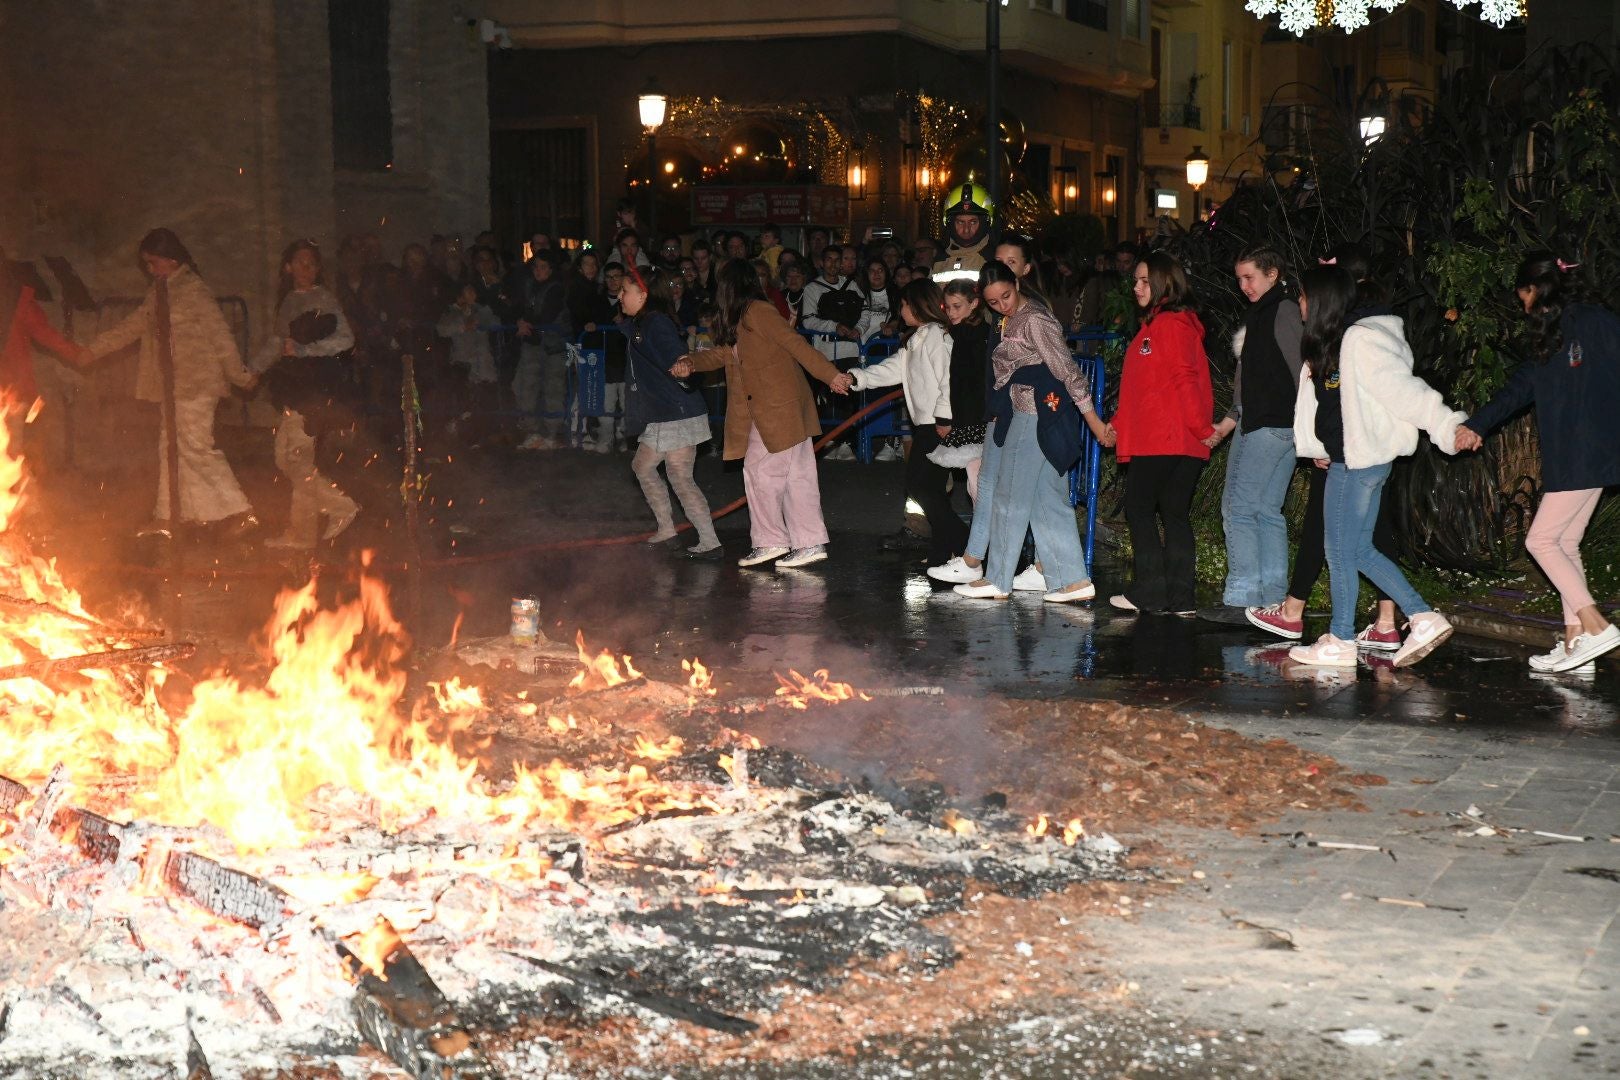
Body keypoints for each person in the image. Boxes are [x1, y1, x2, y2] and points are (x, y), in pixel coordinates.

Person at [1288, 266, 1464, 668]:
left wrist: (1446, 424)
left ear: (1319, 300)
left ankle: (1343, 640)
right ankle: (1421, 617)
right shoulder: (1331, 343)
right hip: (1352, 460)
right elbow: (1329, 409)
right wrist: (1320, 446)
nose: (1298, 303)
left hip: (1358, 464)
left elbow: (1404, 391)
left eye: (1302, 295)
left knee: (1339, 552)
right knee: (1359, 550)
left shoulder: (1359, 341)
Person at [1455, 252, 1620, 673]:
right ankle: (1576, 643)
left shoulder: (1590, 324)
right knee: (1564, 543)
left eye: (1523, 295)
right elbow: (1520, 389)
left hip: (1584, 452)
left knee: (1540, 541)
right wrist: (1477, 424)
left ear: (1537, 290)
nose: (1522, 305)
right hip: (1583, 454)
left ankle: (1597, 626)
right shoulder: (1557, 334)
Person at [1246, 243, 1405, 649]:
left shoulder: (1350, 331)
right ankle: (1381, 622)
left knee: (1337, 537)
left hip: (1352, 448)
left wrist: (1322, 443)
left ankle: (1324, 623)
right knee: (1361, 536)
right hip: (1362, 445)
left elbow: (1332, 397)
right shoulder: (1375, 322)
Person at [670, 260, 849, 570]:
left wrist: (831, 375)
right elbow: (723, 354)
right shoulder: (743, 318)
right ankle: (809, 543)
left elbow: (796, 344)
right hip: (780, 410)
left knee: (760, 474)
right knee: (797, 478)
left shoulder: (758, 312)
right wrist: (691, 362)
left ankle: (771, 541)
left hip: (777, 411)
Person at [953, 261, 1113, 602]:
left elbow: (1068, 371)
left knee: (1010, 496)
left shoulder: (1036, 320)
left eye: (1006, 296)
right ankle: (1073, 580)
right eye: (994, 302)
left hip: (1035, 413)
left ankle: (998, 578)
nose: (1002, 305)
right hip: (1027, 411)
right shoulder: (1010, 319)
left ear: (1017, 282)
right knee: (1047, 498)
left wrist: (1094, 421)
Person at [84, 228, 258, 537]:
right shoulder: (160, 291)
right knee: (170, 447)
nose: (150, 270)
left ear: (171, 259)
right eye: (146, 265)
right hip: (171, 385)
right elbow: (133, 326)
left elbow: (220, 336)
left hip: (197, 384)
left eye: (153, 263)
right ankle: (170, 515)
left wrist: (239, 375)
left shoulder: (193, 290)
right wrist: (92, 350)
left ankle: (240, 511)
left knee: (195, 447)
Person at [928, 238, 1054, 591]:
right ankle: (981, 563)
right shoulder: (999, 315)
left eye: (1011, 262)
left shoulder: (1032, 313)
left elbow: (1055, 368)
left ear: (1024, 271)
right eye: (996, 261)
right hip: (1003, 412)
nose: (1000, 269)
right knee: (990, 486)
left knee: (1023, 493)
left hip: (1026, 413)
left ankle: (1028, 569)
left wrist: (1089, 416)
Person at [1198, 246, 1304, 623]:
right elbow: (1250, 374)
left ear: (1272, 273)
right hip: (1272, 422)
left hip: (1269, 423)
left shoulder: (1282, 311)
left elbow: (1300, 371)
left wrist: (1306, 427)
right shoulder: (1265, 311)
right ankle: (1272, 600)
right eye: (1239, 278)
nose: (1243, 286)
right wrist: (1229, 421)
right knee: (1266, 511)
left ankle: (1243, 598)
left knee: (1239, 508)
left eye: (1250, 277)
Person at [1107, 253, 1215, 616]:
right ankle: (1179, 599)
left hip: (1167, 438)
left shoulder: (1169, 325)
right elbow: (1145, 389)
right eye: (1135, 281)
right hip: (1172, 437)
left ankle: (1151, 592)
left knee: (1140, 508)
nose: (1136, 287)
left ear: (1164, 284)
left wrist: (1203, 429)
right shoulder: (1159, 326)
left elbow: (1187, 380)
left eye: (1143, 280)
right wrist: (1119, 424)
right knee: (1173, 512)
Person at [848, 279, 963, 567]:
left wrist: (944, 416)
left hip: (938, 424)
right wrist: (858, 378)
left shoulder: (937, 336)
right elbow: (892, 370)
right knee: (928, 489)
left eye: (903, 304)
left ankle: (964, 544)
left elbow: (950, 378)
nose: (901, 310)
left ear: (917, 304)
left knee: (922, 486)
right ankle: (944, 551)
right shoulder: (918, 338)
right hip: (927, 424)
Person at [256, 240, 360, 550]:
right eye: (300, 262)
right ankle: (332, 511)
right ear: (287, 267)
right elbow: (278, 342)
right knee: (286, 460)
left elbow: (345, 339)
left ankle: (309, 530)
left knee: (298, 461)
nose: (306, 268)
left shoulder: (322, 298)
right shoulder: (290, 300)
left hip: (312, 390)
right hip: (294, 387)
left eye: (312, 263)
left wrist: (306, 350)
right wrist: (251, 370)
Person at [621, 268, 723, 559]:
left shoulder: (656, 324)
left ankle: (710, 542)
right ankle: (667, 530)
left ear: (642, 295)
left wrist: (684, 366)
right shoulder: (643, 323)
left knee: (679, 476)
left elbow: (675, 352)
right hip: (664, 413)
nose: (619, 295)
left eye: (625, 291)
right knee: (642, 467)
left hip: (676, 413)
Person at [926, 277, 991, 500]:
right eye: (948, 307)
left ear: (973, 304)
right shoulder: (970, 332)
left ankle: (983, 532)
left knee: (978, 485)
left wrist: (950, 419)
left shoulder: (968, 335)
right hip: (975, 416)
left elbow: (963, 383)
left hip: (974, 418)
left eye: (957, 307)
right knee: (978, 483)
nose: (951, 313)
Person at [0, 248, 84, 408]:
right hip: (16, 389)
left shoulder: (18, 301)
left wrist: (77, 354)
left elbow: (46, 334)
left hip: (13, 396)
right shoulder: (19, 299)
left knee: (11, 431)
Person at [513, 252, 571, 449]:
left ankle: (552, 434)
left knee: (553, 390)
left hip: (553, 346)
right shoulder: (527, 286)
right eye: (536, 266)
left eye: (544, 267)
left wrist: (525, 322)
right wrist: (521, 321)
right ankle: (532, 432)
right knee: (526, 388)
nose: (539, 271)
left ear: (552, 269)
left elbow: (547, 314)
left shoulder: (557, 289)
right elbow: (518, 306)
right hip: (532, 344)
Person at [932, 186, 992, 282]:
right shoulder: (938, 261)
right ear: (948, 222)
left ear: (986, 221)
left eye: (973, 222)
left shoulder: (994, 259)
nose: (966, 230)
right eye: (960, 222)